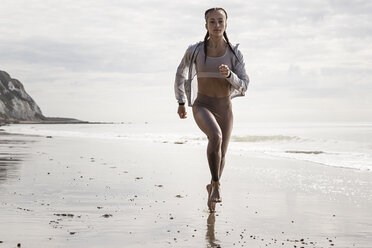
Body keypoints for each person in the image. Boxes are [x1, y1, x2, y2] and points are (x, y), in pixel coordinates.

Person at [174, 7, 249, 212]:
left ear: (226, 24)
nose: (217, 25)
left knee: (222, 153)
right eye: (212, 22)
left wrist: (229, 75)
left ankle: (211, 188)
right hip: (202, 105)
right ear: (206, 25)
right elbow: (180, 74)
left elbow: (244, 84)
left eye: (220, 21)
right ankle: (216, 185)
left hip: (225, 107)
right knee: (215, 137)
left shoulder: (234, 53)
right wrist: (181, 102)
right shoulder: (195, 50)